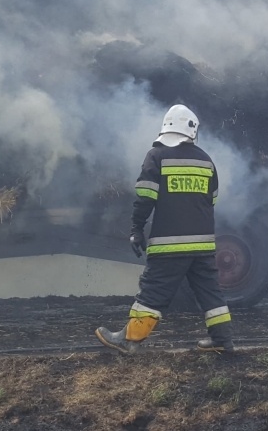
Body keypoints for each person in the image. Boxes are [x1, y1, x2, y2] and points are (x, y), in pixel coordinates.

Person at [96, 105, 235, 355]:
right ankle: (223, 341)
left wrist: (136, 229)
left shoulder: (156, 156)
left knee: (153, 291)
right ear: (192, 130)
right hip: (203, 245)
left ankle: (129, 340)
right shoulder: (206, 160)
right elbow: (211, 199)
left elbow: (145, 197)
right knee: (210, 293)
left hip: (169, 244)